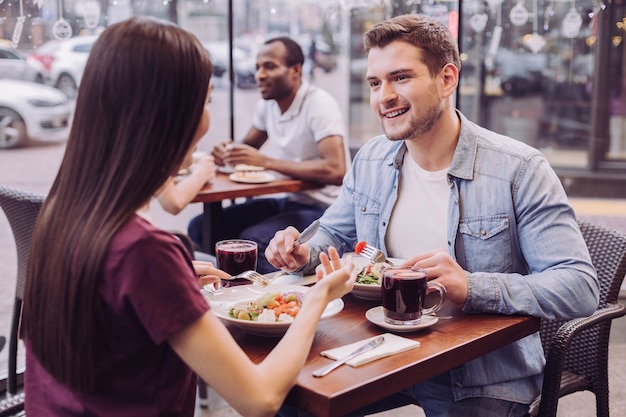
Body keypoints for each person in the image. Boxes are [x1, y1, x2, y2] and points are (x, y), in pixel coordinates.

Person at [266, 14, 600, 417]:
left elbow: (579, 287)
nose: (383, 96)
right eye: (375, 83)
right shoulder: (372, 157)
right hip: (383, 348)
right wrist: (303, 252)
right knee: (286, 399)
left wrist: (472, 286)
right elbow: (335, 233)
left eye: (401, 78)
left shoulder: (520, 169)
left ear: (446, 79)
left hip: (482, 372)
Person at [22, 17, 356, 417]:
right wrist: (316, 297)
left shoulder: (58, 215)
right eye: (207, 100)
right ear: (170, 114)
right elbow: (260, 399)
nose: (207, 119)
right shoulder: (144, 251)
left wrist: (169, 284)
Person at [188, 36, 349, 274]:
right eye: (257, 67)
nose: (259, 75)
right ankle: (232, 291)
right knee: (201, 227)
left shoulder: (319, 105)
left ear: (296, 70)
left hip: (324, 207)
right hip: (289, 200)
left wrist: (266, 161)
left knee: (253, 240)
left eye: (269, 66)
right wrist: (228, 152)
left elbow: (336, 170)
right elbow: (247, 147)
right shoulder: (269, 105)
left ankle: (275, 300)